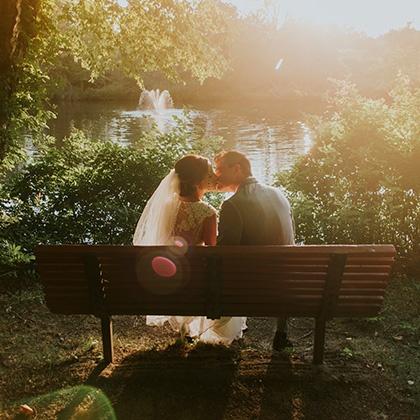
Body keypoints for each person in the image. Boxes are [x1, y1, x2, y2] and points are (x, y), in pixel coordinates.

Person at [133, 154, 247, 345]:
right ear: (198, 181)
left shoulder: (167, 207)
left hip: (168, 279)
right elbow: (213, 252)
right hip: (196, 282)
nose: (213, 176)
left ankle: (185, 329)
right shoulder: (207, 212)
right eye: (209, 173)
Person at [214, 150, 295, 350]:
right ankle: (281, 333)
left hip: (253, 285)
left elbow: (224, 252)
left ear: (237, 169)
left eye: (220, 170)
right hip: (286, 282)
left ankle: (215, 329)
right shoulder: (279, 194)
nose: (217, 176)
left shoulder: (233, 204)